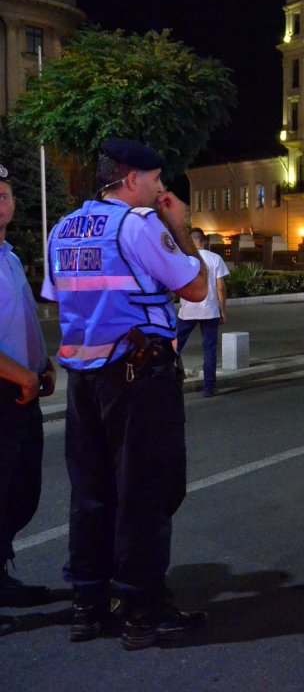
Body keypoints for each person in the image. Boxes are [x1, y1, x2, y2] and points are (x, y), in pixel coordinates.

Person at [43, 138, 209, 649]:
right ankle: (143, 608)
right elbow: (197, 288)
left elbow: (58, 297)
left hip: (84, 380)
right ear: (132, 177)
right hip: (138, 378)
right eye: (157, 179)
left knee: (91, 492)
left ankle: (88, 605)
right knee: (146, 489)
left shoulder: (62, 229)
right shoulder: (137, 227)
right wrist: (180, 225)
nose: (161, 189)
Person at [0, 163, 55, 637]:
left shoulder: (11, 256)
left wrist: (43, 364)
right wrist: (21, 375)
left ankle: (0, 577)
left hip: (22, 389)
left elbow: (24, 320)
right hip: (4, 390)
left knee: (20, 492)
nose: (0, 201)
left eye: (4, 193)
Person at [175, 228, 229, 397]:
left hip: (187, 311)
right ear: (204, 241)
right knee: (209, 350)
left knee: (174, 346)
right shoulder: (215, 259)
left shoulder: (183, 260)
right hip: (210, 310)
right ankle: (209, 388)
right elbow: (221, 287)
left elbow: (176, 285)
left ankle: (167, 383)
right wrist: (223, 310)